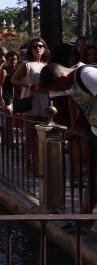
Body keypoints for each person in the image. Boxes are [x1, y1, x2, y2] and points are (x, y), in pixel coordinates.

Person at [39, 62, 97, 218]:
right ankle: (84, 216)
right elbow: (73, 99)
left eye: (58, 88)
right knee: (93, 176)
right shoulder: (69, 82)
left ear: (62, 77)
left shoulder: (87, 75)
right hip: (94, 132)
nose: (59, 91)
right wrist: (74, 125)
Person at [11, 37, 50, 173]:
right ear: (31, 49)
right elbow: (14, 80)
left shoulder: (47, 65)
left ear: (44, 48)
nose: (38, 48)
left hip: (44, 102)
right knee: (30, 135)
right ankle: (27, 166)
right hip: (30, 101)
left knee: (41, 136)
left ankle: (40, 166)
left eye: (40, 46)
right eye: (34, 46)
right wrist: (29, 85)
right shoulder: (26, 64)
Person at [0, 51, 19, 148]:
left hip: (12, 97)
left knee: (10, 120)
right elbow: (0, 85)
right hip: (5, 97)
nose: (13, 61)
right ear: (7, 60)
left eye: (15, 59)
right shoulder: (4, 71)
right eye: (11, 60)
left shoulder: (16, 70)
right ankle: (8, 141)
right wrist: (0, 97)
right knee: (10, 118)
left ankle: (5, 140)